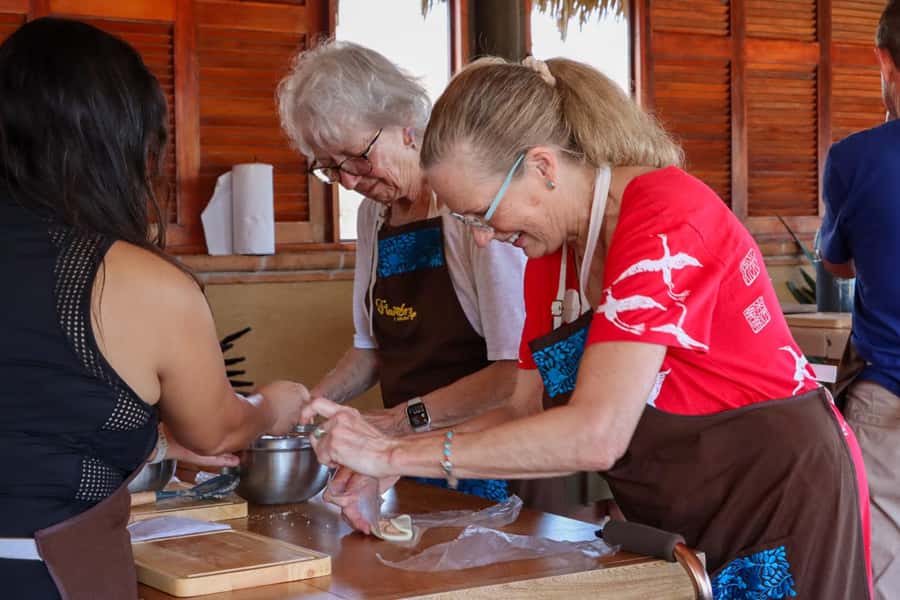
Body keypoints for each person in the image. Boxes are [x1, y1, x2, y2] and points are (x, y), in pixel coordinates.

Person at [302, 55, 873, 599]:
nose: (481, 236)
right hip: (682, 506)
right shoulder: (552, 253)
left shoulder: (665, 218)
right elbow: (524, 406)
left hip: (779, 497)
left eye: (481, 212)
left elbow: (597, 433)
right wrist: (391, 444)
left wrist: (395, 458)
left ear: (542, 167)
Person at [0, 18, 308, 598]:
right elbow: (219, 430)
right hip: (42, 575)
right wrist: (273, 405)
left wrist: (157, 441)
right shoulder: (136, 279)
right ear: (120, 142)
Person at [276, 41, 525, 503]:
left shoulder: (471, 212)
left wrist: (398, 422)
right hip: (407, 454)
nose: (349, 181)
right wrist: (312, 407)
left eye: (357, 158)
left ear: (408, 128)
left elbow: (511, 372)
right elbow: (369, 351)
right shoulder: (375, 215)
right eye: (331, 169)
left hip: (483, 454)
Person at [819, 3, 900, 597]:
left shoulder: (854, 159)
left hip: (886, 397)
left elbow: (837, 263)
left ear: (884, 60)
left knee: (881, 575)